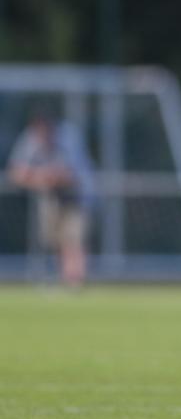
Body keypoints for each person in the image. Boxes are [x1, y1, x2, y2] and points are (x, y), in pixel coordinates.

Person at [7, 109, 95, 286]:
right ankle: (65, 277)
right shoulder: (30, 140)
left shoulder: (68, 138)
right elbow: (16, 173)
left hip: (76, 197)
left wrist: (44, 176)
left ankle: (76, 280)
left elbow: (71, 175)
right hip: (50, 198)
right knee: (56, 240)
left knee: (75, 239)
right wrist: (41, 177)